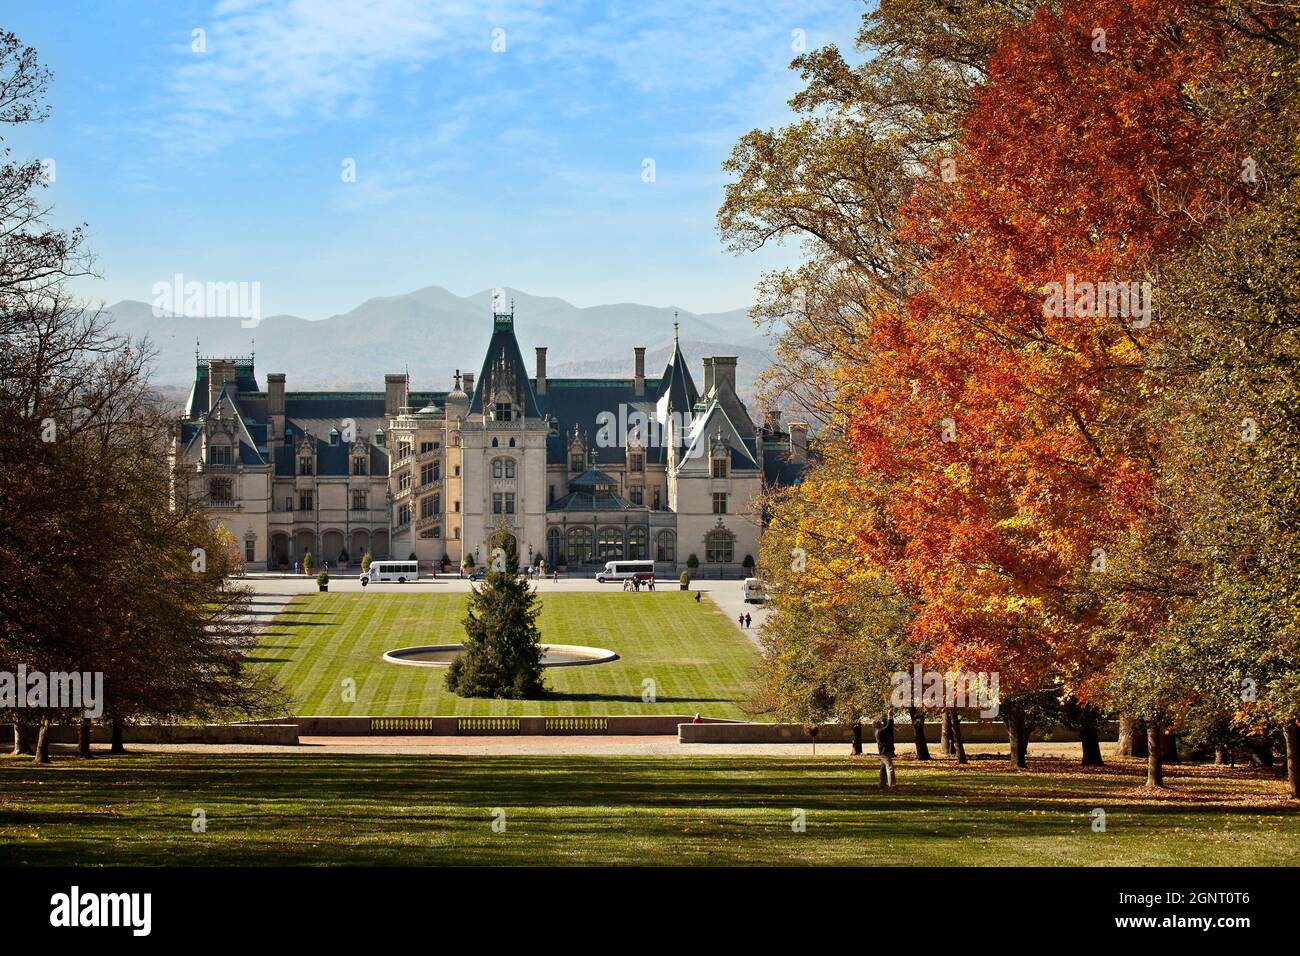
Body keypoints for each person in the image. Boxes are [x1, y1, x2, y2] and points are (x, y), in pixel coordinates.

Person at [874, 713, 897, 788]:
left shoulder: (881, 731)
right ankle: (892, 784)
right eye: (879, 722)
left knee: (883, 769)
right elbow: (889, 726)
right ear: (876, 725)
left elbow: (889, 728)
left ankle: (881, 784)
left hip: (886, 752)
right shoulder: (879, 732)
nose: (881, 722)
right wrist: (889, 716)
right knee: (890, 768)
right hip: (885, 753)